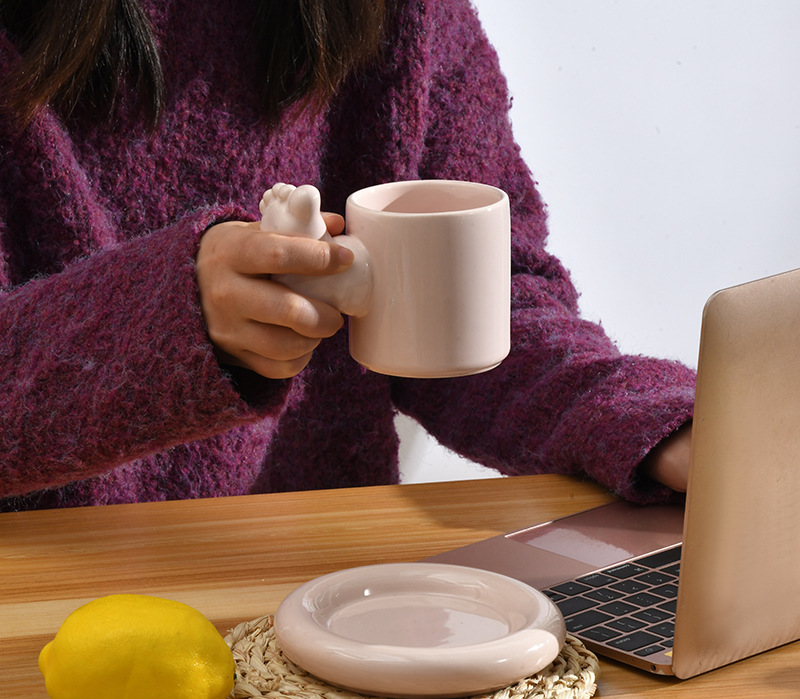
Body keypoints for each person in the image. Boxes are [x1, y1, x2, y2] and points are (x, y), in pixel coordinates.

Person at [0, 0, 694, 513]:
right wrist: (165, 317)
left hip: (320, 605)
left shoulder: (403, 17)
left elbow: (479, 299)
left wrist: (659, 428)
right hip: (41, 608)